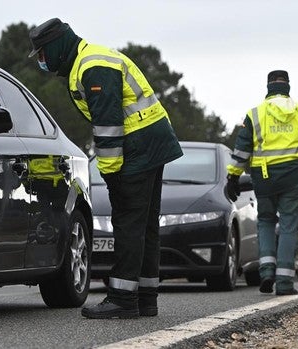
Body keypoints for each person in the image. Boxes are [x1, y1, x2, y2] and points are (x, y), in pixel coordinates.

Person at [28, 18, 182, 319]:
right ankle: (145, 298)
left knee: (128, 221)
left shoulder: (92, 66)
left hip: (138, 144)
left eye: (43, 55)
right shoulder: (90, 60)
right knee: (145, 225)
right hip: (152, 140)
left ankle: (123, 299)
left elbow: (109, 125)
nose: (43, 62)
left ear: (58, 46)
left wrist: (110, 173)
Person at [225, 70, 298, 296]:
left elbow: (242, 148)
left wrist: (233, 176)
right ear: (288, 86)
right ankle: (284, 282)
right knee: (289, 227)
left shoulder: (255, 114)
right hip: (294, 177)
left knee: (264, 221)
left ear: (268, 87)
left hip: (263, 178)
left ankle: (266, 272)